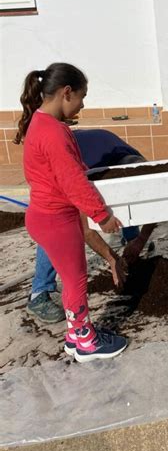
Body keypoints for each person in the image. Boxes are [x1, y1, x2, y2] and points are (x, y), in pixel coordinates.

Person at [14, 63, 128, 362]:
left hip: (44, 214)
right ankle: (86, 342)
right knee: (76, 279)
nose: (82, 103)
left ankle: (75, 334)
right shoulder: (54, 132)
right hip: (56, 218)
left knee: (71, 277)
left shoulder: (39, 123)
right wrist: (102, 215)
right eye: (81, 96)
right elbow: (72, 180)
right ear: (66, 93)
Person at [26, 129, 156, 324]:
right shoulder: (85, 170)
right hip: (59, 168)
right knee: (55, 226)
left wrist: (139, 240)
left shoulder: (139, 164)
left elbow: (150, 203)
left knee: (125, 200)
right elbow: (84, 227)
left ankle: (130, 238)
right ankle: (39, 293)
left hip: (89, 153)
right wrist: (111, 258)